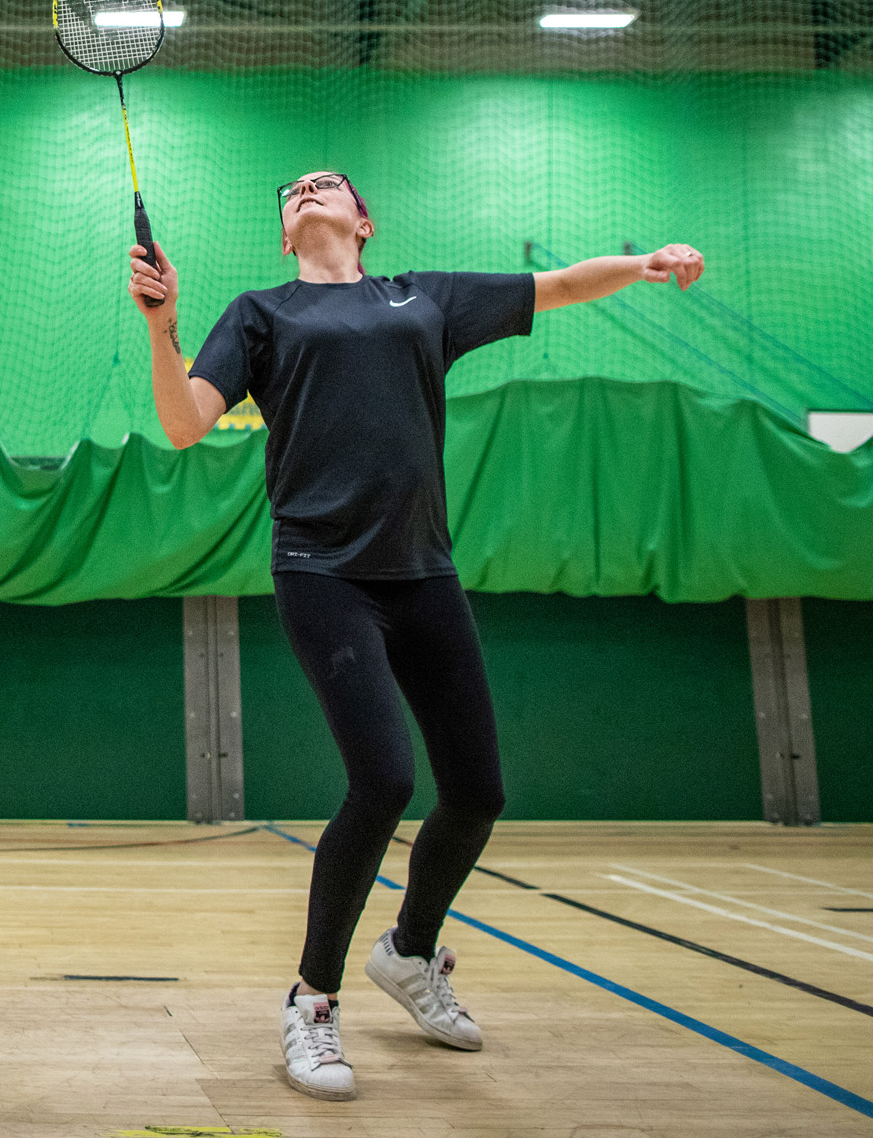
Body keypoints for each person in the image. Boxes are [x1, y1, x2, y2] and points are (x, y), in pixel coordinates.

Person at [130, 170, 703, 1103]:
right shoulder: (260, 313)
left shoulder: (421, 297)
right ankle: (313, 1000)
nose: (308, 189)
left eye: (329, 184)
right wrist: (161, 320)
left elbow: (553, 286)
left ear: (363, 219)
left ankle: (410, 950)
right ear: (286, 234)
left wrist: (644, 262)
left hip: (424, 570)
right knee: (385, 778)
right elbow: (183, 422)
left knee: (478, 789)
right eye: (293, 190)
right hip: (322, 570)